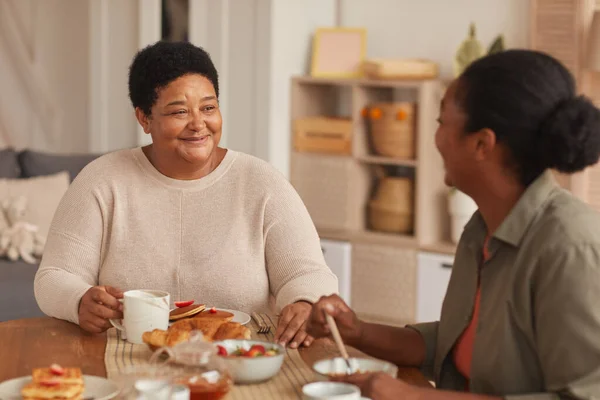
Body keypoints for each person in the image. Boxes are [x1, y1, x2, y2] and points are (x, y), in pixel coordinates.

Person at [307, 49, 600, 400]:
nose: (436, 138)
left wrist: (413, 396)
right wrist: (358, 332)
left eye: (441, 122)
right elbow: (453, 345)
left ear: (481, 144)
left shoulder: (571, 246)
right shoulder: (482, 228)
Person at [34, 41, 338, 348]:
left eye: (209, 107)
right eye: (179, 111)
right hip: (131, 360)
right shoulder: (101, 180)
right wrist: (78, 300)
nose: (198, 124)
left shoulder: (261, 182)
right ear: (144, 118)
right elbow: (54, 277)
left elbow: (309, 272)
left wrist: (304, 302)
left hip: (241, 361)